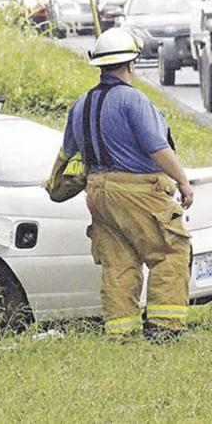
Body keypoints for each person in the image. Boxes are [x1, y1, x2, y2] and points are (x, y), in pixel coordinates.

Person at [59, 28, 196, 340]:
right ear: (131, 64)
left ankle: (121, 333)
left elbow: (67, 153)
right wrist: (183, 181)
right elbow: (157, 149)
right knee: (171, 250)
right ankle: (165, 329)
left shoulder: (80, 104)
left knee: (118, 263)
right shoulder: (134, 101)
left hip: (97, 192)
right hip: (137, 192)